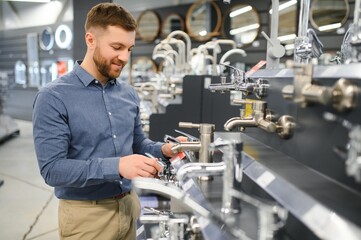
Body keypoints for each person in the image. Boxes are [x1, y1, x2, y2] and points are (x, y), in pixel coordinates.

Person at [32, 3, 179, 240]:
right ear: (91, 40)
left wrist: (163, 149)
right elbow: (53, 170)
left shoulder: (128, 94)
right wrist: (117, 166)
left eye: (129, 49)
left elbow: (138, 143)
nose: (124, 57)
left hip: (129, 206)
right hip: (86, 216)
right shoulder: (53, 97)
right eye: (117, 47)